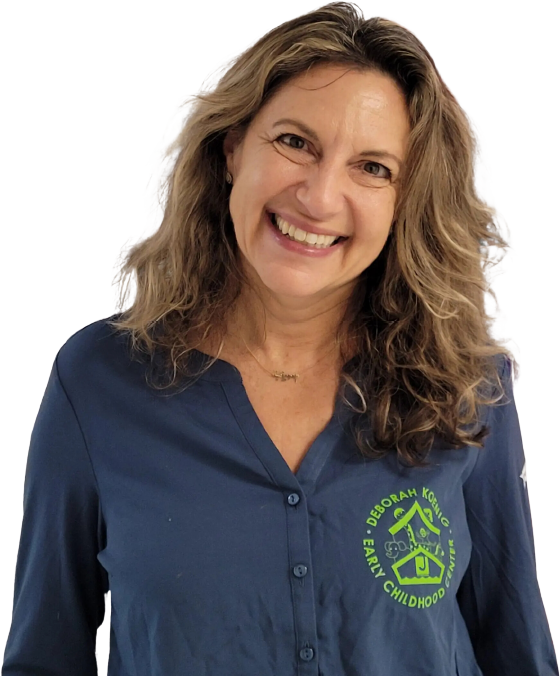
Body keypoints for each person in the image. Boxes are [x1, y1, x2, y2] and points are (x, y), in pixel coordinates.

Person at [3, 3, 556, 674]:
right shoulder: (98, 383)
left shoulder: (467, 387)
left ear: (403, 203)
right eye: (295, 142)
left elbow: (516, 651)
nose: (319, 198)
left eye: (373, 168)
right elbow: (46, 658)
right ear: (233, 148)